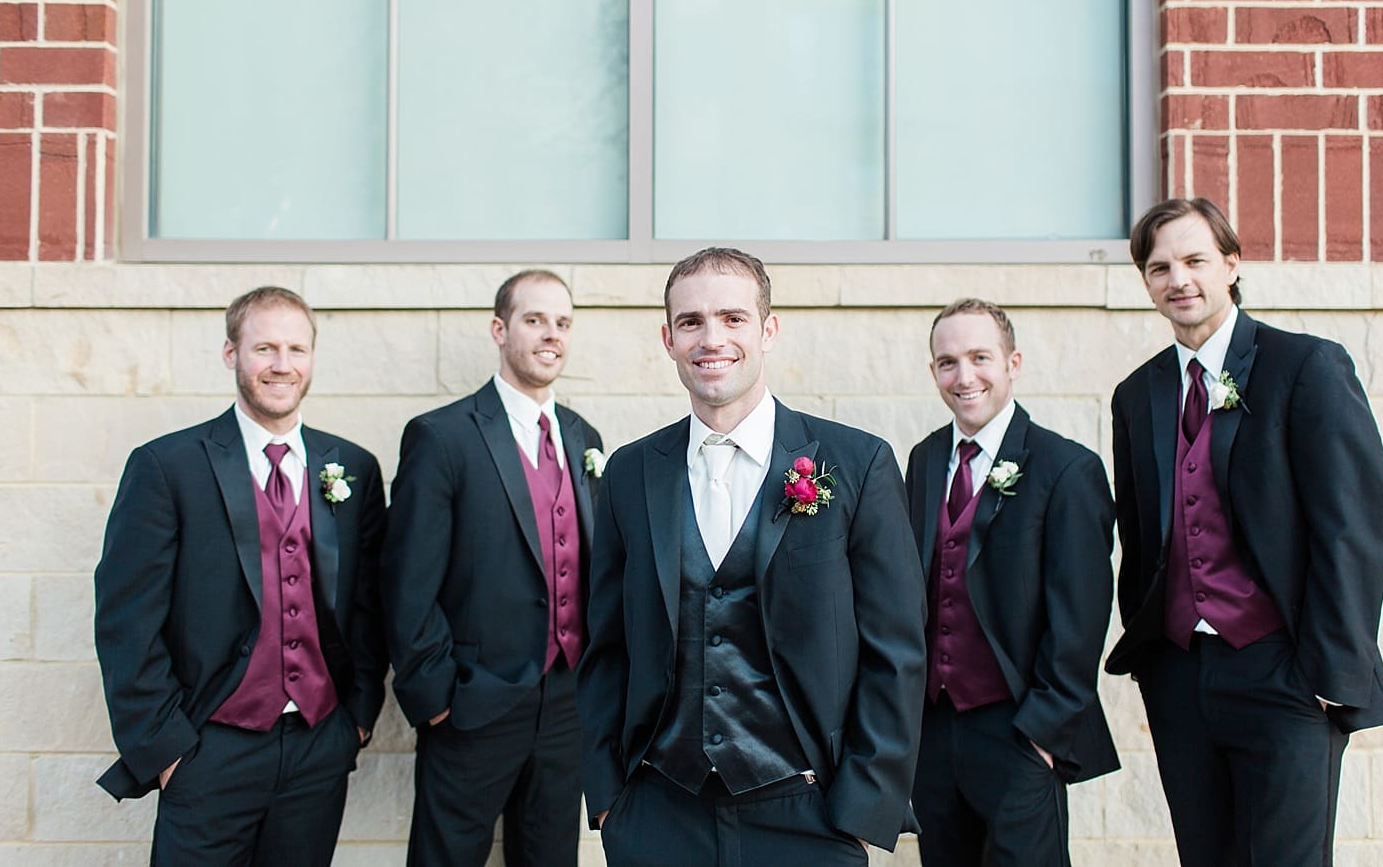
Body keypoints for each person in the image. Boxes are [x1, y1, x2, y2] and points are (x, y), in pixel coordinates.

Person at [577, 247, 927, 866]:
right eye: (691, 322)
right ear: (668, 338)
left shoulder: (855, 463)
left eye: (732, 318)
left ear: (768, 330)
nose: (711, 338)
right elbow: (605, 645)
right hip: (657, 811)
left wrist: (861, 808)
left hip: (808, 811)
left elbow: (895, 650)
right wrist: (609, 797)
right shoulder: (631, 473)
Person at [1105, 198, 1383, 865]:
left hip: (1285, 670)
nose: (1177, 278)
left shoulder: (1306, 367)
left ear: (1231, 264)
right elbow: (1142, 537)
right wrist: (1154, 660)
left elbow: (1349, 529)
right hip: (1181, 676)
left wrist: (1329, 672)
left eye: (1193, 260)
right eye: (1158, 267)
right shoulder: (1136, 394)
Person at [94, 286, 388, 866]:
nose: (282, 365)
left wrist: (355, 718)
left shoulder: (352, 467)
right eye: (265, 349)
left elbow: (368, 606)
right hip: (210, 747)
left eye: (297, 349)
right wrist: (167, 748)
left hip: (317, 744)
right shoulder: (166, 466)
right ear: (232, 354)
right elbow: (127, 621)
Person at [382, 269, 604, 867]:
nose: (550, 335)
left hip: (565, 708)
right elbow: (407, 583)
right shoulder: (442, 436)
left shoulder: (585, 436)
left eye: (563, 323)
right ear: (500, 329)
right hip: (471, 706)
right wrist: (437, 698)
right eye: (535, 320)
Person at [906, 299, 1118, 866]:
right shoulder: (924, 461)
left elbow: (1081, 616)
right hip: (935, 730)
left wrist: (1042, 735)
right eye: (947, 362)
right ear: (933, 373)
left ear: (1013, 363)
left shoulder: (1067, 469)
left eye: (980, 357)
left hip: (1020, 730)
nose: (964, 376)